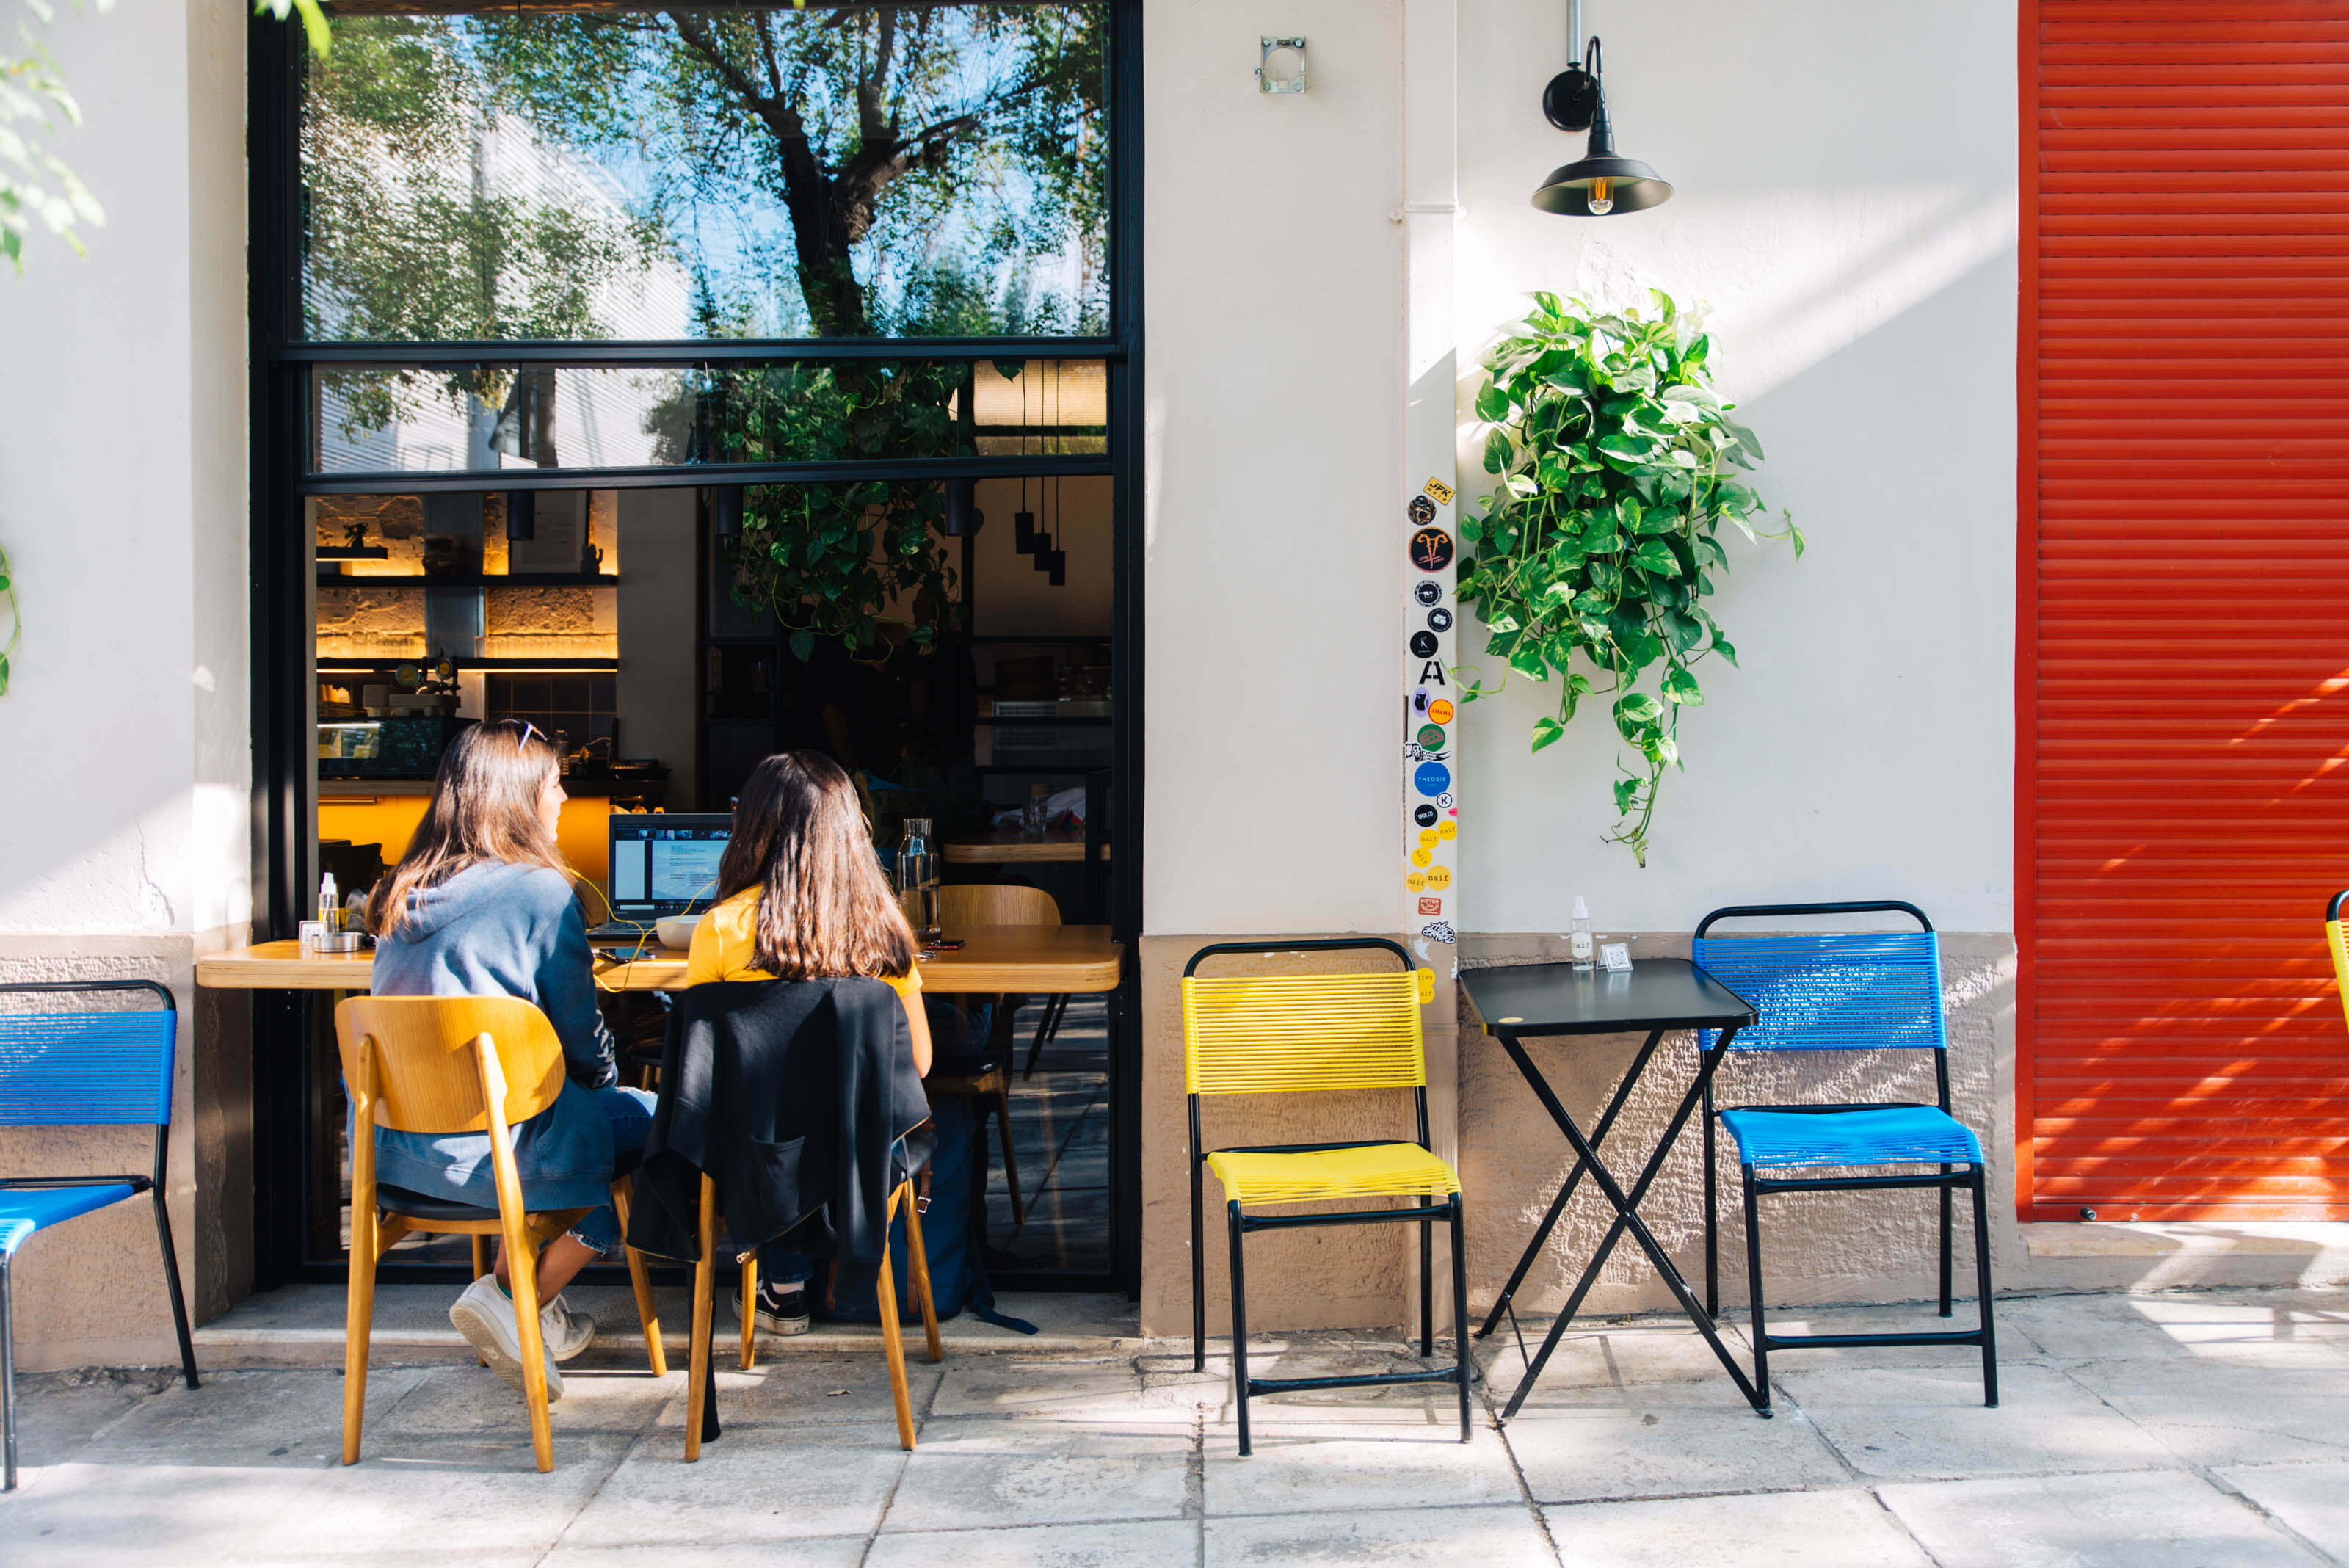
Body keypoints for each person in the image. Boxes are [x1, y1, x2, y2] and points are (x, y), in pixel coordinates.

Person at [363, 719, 653, 1403]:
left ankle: (537, 1314)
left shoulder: (400, 891)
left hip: (401, 1154)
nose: (564, 799)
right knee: (655, 1125)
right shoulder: (540, 893)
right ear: (520, 796)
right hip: (503, 1150)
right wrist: (603, 1084)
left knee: (573, 1124)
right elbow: (581, 1037)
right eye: (554, 785)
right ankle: (514, 1295)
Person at [686, 749, 933, 1334]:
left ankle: (783, 1286)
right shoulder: (884, 930)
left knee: (768, 1116)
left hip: (762, 1159)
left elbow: (708, 1068)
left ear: (751, 828)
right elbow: (918, 1063)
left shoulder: (721, 929)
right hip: (860, 1157)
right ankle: (816, 1280)